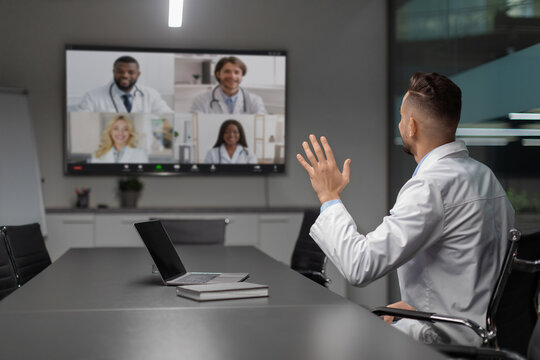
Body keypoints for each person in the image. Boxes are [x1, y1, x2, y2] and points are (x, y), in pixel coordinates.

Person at [296, 72, 514, 345]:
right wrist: (416, 307)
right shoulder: (486, 178)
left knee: (330, 338)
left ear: (411, 126)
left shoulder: (430, 187)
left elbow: (359, 266)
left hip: (444, 343)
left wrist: (329, 196)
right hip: (480, 336)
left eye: (401, 118)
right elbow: (470, 274)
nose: (400, 125)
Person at [76, 56, 173, 113]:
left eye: (130, 72)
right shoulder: (92, 97)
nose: (125, 75)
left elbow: (168, 118)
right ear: (113, 72)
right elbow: (80, 124)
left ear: (138, 74)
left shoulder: (151, 95)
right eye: (120, 71)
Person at [191, 56, 267, 114]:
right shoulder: (200, 100)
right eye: (227, 71)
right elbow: (194, 127)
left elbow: (261, 127)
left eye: (237, 72)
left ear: (241, 76)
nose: (232, 76)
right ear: (218, 74)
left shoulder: (255, 101)